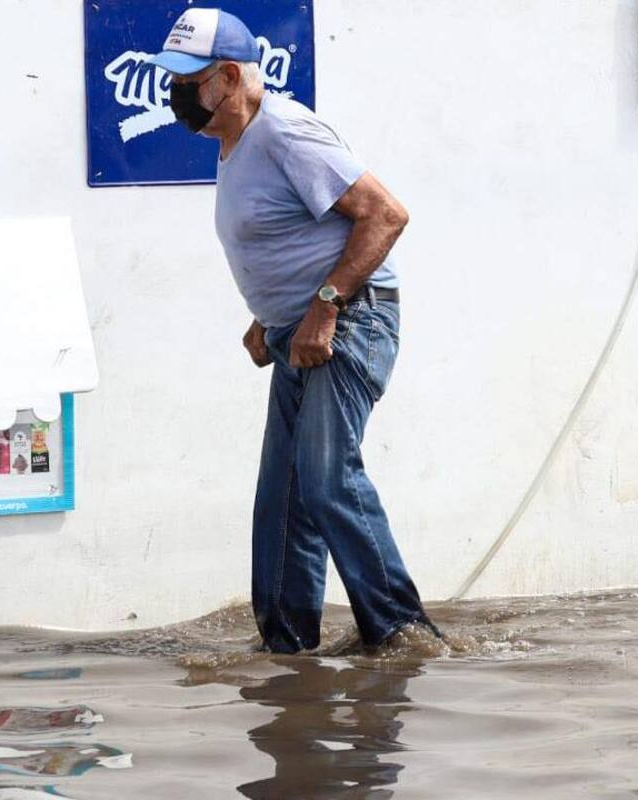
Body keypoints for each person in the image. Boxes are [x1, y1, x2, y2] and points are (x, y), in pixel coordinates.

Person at [150, 8, 440, 652]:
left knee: (326, 476)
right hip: (298, 331)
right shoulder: (237, 144)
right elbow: (295, 235)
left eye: (187, 82)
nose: (176, 97)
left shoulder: (284, 131)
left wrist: (326, 305)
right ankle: (287, 646)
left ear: (229, 77)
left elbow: (384, 216)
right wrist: (269, 316)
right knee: (282, 497)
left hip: (349, 322)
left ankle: (403, 635)